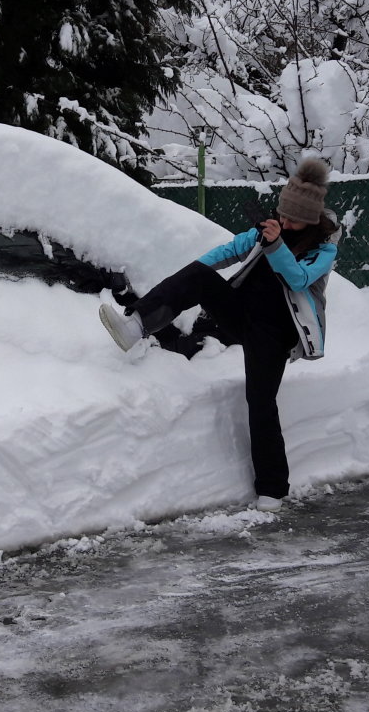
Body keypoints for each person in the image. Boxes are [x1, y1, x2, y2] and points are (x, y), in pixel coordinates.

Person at [98, 157, 339, 511]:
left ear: (311, 219)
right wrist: (191, 276)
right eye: (282, 214)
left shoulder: (324, 250)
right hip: (241, 314)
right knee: (197, 276)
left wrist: (275, 245)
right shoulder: (269, 230)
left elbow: (298, 279)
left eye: (293, 220)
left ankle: (272, 488)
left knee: (260, 403)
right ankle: (135, 326)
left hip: (275, 334)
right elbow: (226, 253)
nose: (285, 222)